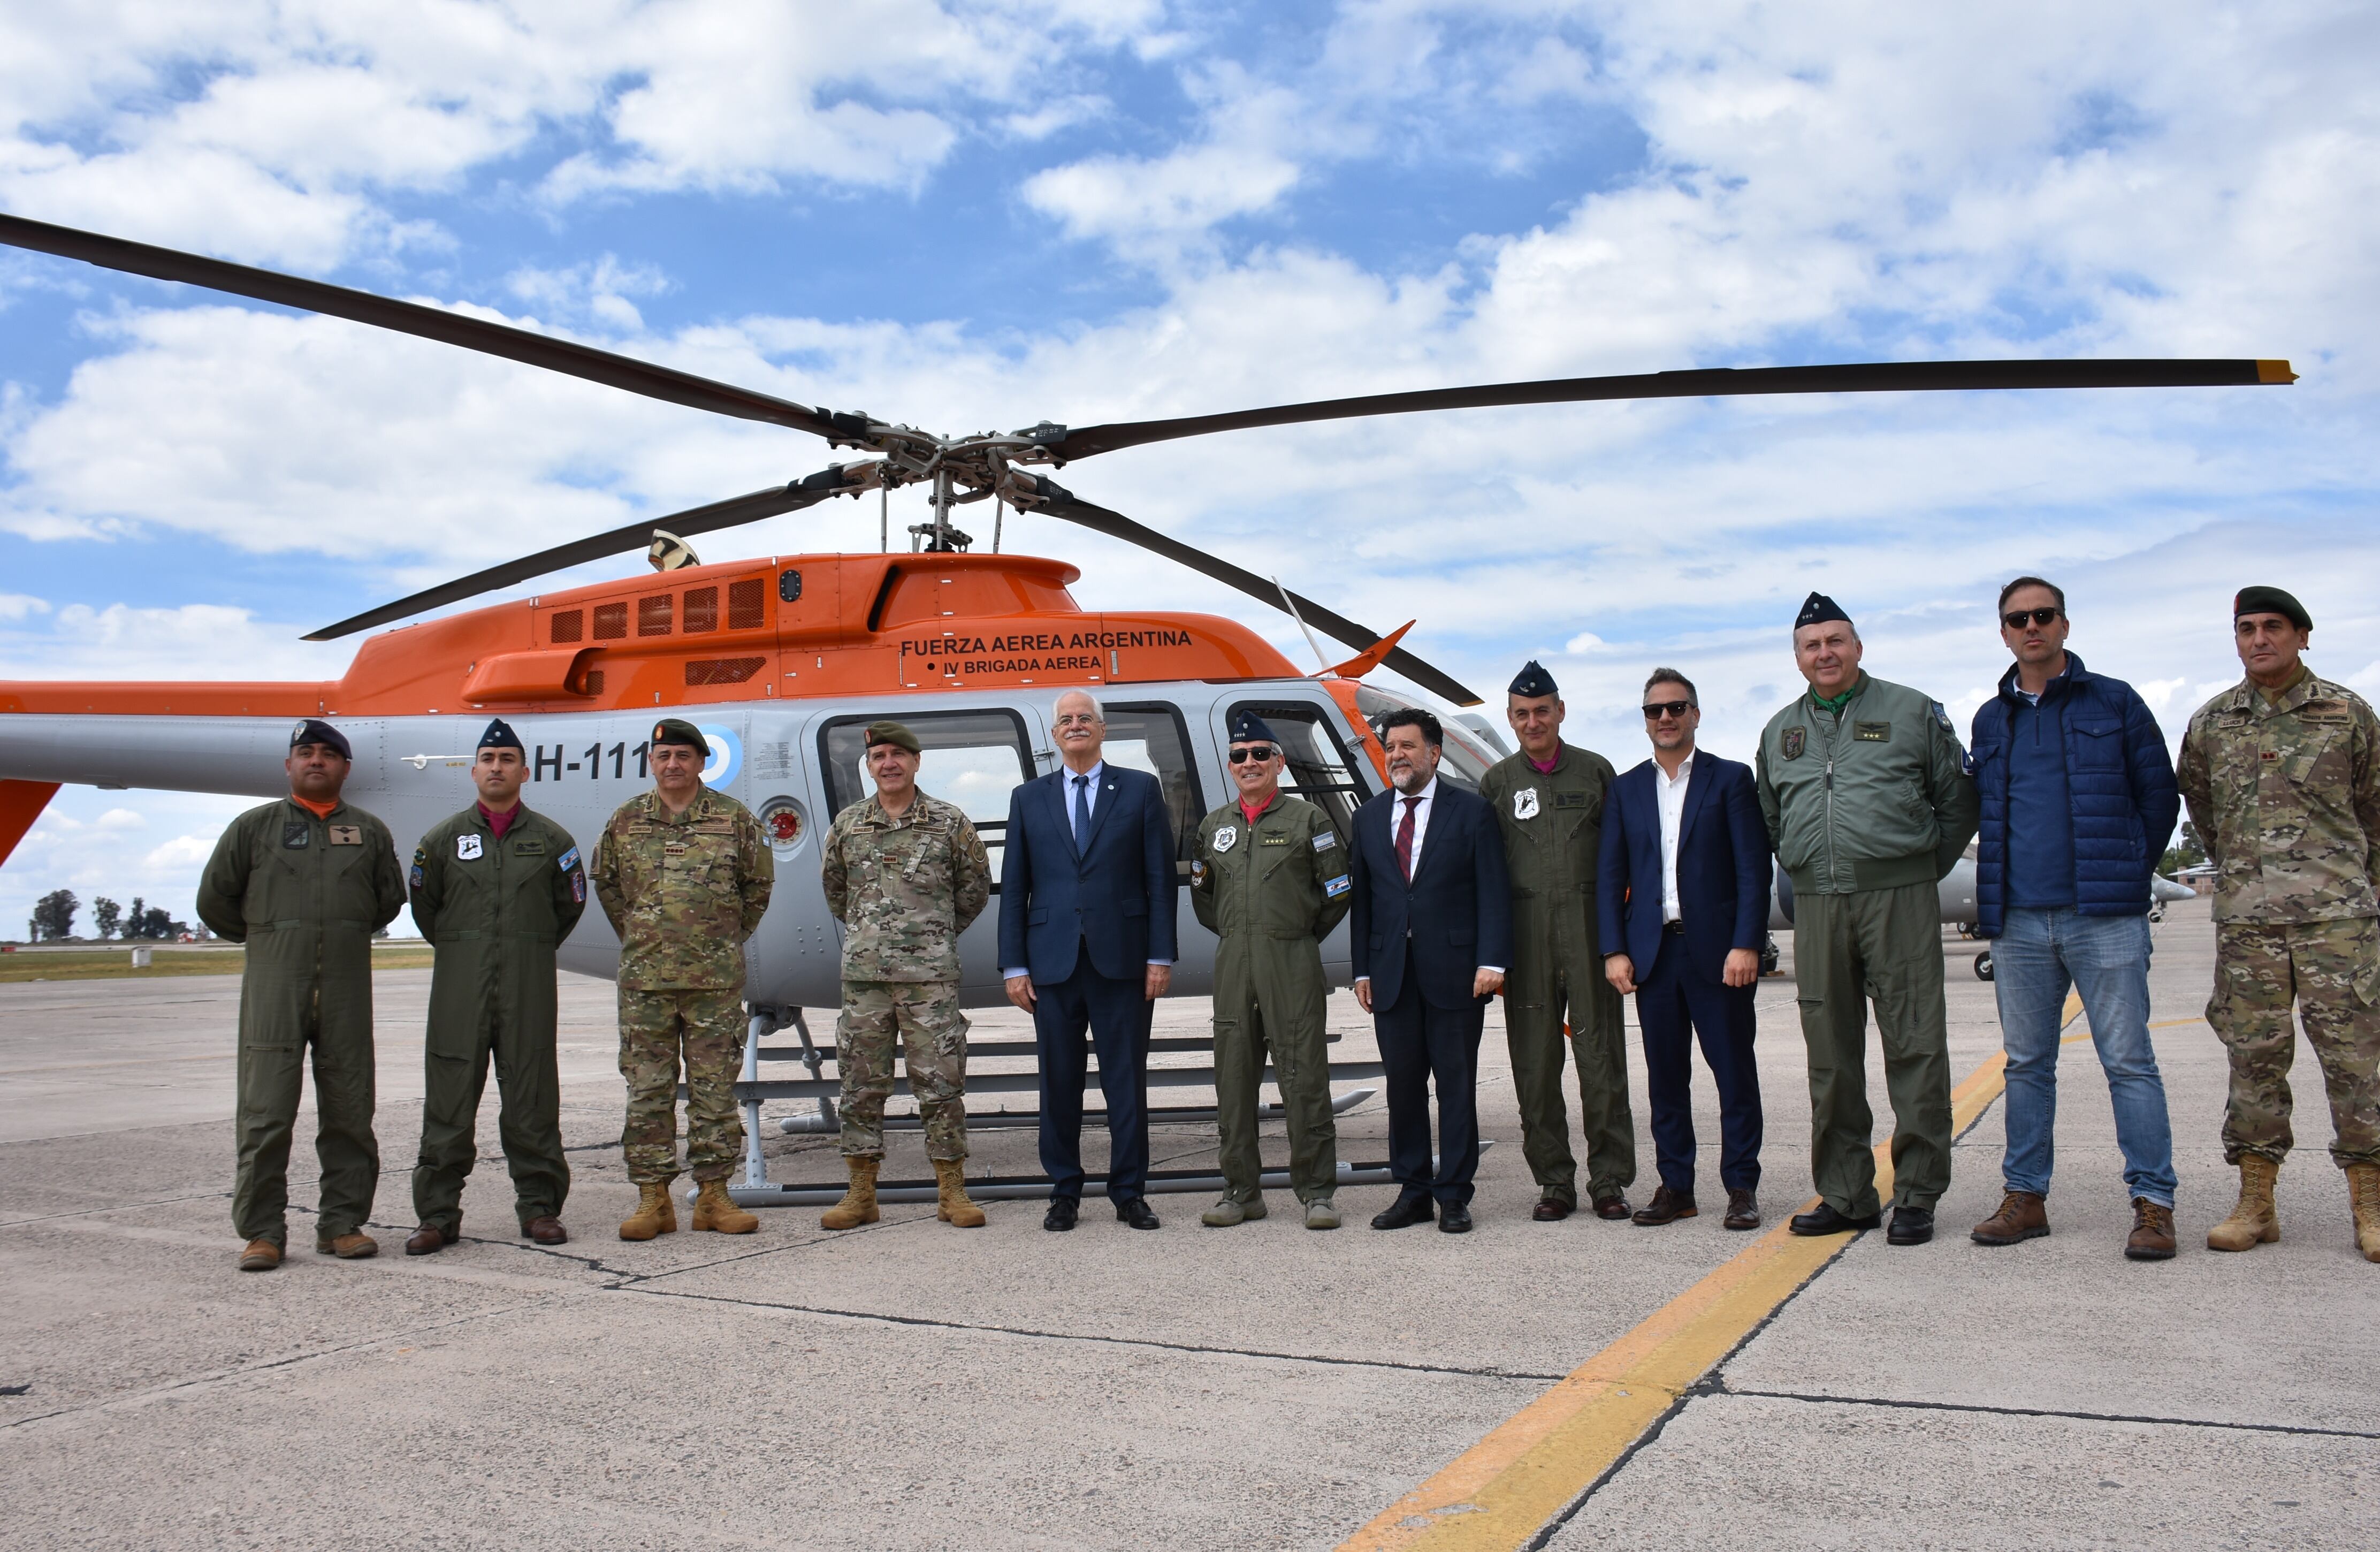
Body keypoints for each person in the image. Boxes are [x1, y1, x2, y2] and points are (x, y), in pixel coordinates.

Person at [1966, 579, 2181, 1260]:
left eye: (2042, 615)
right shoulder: (1989, 719)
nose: (2030, 626)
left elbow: (2158, 797)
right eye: (2016, 619)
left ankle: (2153, 1203)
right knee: (2027, 1064)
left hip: (2103, 917)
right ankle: (2024, 1196)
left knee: (2128, 1061)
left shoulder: (2114, 700)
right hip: (2019, 920)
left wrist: (2123, 867)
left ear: (2062, 623)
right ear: (2002, 632)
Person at [1756, 593, 1978, 1246]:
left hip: (1898, 899)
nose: (1823, 652)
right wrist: (1804, 865)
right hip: (1818, 904)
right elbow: (1771, 816)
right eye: (1810, 644)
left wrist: (1911, 870)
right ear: (1797, 657)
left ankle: (1915, 1193)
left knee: (1913, 1045)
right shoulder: (1779, 731)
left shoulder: (1911, 710)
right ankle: (1848, 1192)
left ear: (1856, 647)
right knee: (1829, 1057)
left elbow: (1956, 800)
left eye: (1835, 640)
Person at [2178, 585, 2380, 1263]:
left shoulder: (2346, 713)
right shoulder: (2211, 723)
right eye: (2245, 629)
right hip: (2247, 923)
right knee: (2252, 1060)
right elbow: (2202, 812)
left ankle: (2369, 1201)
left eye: (2271, 627)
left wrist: (2352, 885)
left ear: (2301, 635)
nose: (2257, 639)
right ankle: (2255, 1202)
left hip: (2336, 922)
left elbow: (2374, 811)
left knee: (2356, 1063)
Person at [195, 719, 407, 1272]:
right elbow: (215, 898)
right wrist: (271, 938)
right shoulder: (254, 827)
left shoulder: (369, 831)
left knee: (349, 1111)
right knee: (265, 1115)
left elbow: (387, 900)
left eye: (328, 754)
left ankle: (342, 1223)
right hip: (274, 989)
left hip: (345, 989)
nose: (317, 760)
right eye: (306, 752)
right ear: (289, 765)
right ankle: (262, 1230)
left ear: (345, 768)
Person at [403, 718, 589, 1254]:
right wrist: (468, 948)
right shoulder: (441, 840)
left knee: (531, 1096)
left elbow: (567, 906)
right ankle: (437, 1214)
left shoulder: (553, 840)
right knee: (449, 1099)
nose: (497, 767)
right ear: (474, 769)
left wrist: (524, 946)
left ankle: (540, 1208)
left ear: (523, 771)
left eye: (507, 759)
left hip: (527, 983)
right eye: (488, 759)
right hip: (460, 984)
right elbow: (426, 908)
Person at [1599, 669, 1770, 1231]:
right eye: (1654, 710)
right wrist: (1613, 950)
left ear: (1695, 714)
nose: (1665, 718)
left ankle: (1740, 1185)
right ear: (1644, 719)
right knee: (1665, 1077)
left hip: (1719, 955)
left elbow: (1751, 871)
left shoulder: (1729, 780)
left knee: (1732, 1074)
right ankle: (1676, 1186)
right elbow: (1610, 877)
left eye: (1675, 708)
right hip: (1653, 956)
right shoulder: (1625, 789)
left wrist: (1746, 941)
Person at [1000, 691, 1178, 1232]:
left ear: (1102, 729)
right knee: (1058, 1081)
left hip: (1122, 959)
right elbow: (1015, 886)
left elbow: (1158, 879)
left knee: (1125, 1079)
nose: (1075, 725)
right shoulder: (1028, 798)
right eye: (1066, 720)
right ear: (1054, 735)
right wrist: (1014, 965)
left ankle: (1129, 1191)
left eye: (1084, 718)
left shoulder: (1141, 789)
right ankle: (1064, 1191)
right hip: (1051, 962)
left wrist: (1159, 954)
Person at [590, 718, 773, 1242]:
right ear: (652, 761)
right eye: (663, 754)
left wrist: (720, 937)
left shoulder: (733, 819)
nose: (673, 764)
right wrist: (644, 935)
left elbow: (757, 887)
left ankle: (714, 1195)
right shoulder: (625, 821)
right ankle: (653, 1199)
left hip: (713, 980)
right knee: (647, 1089)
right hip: (645, 980)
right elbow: (607, 886)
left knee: (715, 1090)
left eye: (683, 755)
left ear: (701, 762)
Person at [818, 720, 994, 1231]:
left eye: (898, 755)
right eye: (879, 757)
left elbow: (974, 889)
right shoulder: (848, 824)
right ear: (869, 766)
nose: (888, 763)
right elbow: (836, 891)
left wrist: (932, 933)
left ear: (916, 762)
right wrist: (876, 937)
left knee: (941, 1086)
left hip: (929, 981)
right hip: (865, 982)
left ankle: (951, 1192)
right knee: (860, 1086)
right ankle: (860, 1193)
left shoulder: (948, 822)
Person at [1478, 661, 1636, 1221]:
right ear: (1510, 718)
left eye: (1541, 710)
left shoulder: (1595, 772)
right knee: (1534, 1067)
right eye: (1521, 713)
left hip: (1590, 936)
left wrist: (1621, 940)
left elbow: (1622, 858)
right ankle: (1554, 1182)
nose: (1532, 721)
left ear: (1560, 710)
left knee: (1601, 1064)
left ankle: (1610, 1180)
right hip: (1526, 944)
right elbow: (1485, 874)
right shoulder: (1497, 783)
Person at [1190, 711, 1354, 1229]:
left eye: (1260, 753)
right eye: (1239, 755)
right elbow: (1204, 901)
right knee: (1233, 1080)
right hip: (1234, 959)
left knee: (1304, 1077)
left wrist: (1295, 933)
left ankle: (1317, 1193)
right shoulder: (1214, 825)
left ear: (1279, 762)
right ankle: (1240, 1191)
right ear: (1230, 764)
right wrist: (1243, 933)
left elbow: (1336, 891)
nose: (1249, 762)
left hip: (1292, 960)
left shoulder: (1307, 820)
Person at [1350, 708, 1511, 1234]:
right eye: (1389, 746)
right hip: (1392, 973)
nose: (1395, 754)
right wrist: (1361, 969)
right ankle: (1413, 1190)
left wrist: (1491, 960)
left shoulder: (1471, 812)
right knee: (1403, 1086)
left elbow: (1492, 891)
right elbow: (1365, 901)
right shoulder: (1369, 817)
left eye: (1406, 746)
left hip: (1456, 972)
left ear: (1433, 753)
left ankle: (1454, 1194)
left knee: (1455, 1086)